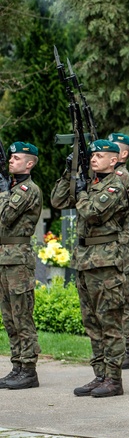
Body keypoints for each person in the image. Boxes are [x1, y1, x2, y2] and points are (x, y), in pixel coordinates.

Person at [51, 139, 129, 398]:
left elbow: (92, 212)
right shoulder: (91, 183)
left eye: (100, 155)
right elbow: (58, 200)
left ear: (114, 160)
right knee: (92, 321)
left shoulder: (115, 186)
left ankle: (114, 379)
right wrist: (69, 173)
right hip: (85, 259)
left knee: (109, 321)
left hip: (106, 261)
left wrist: (82, 191)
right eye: (92, 156)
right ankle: (100, 375)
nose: (94, 159)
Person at [0, 142, 43, 390]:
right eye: (11, 158)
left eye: (16, 158)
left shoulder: (28, 189)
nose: (11, 161)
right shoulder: (12, 188)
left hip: (18, 259)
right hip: (4, 258)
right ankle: (16, 366)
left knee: (22, 316)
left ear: (29, 163)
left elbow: (5, 216)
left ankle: (28, 369)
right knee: (9, 318)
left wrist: (4, 190)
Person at [105, 133, 129, 371]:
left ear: (123, 154)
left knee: (125, 296)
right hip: (108, 246)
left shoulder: (122, 176)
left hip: (121, 244)